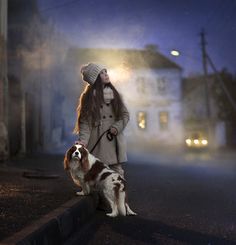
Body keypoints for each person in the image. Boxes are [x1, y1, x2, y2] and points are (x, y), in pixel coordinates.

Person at [74, 62, 129, 178]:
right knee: (97, 175)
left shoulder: (115, 94)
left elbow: (125, 115)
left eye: (105, 72)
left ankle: (118, 195)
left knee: (117, 173)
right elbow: (85, 122)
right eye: (102, 73)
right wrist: (83, 141)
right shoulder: (88, 97)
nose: (106, 74)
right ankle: (100, 195)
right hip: (97, 141)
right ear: (95, 79)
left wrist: (116, 127)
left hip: (113, 139)